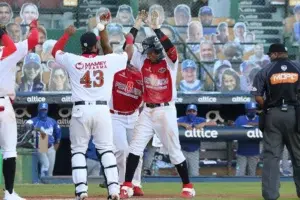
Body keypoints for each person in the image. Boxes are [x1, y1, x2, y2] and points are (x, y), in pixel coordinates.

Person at [51, 11, 131, 199]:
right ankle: (113, 189)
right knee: (106, 150)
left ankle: (81, 191)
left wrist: (66, 34)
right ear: (96, 46)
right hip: (102, 110)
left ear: (81, 46)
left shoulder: (73, 59)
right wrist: (112, 33)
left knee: (78, 150)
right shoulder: (108, 60)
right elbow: (126, 54)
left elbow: (54, 52)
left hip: (81, 109)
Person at [119, 10, 196, 199]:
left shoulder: (170, 63)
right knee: (134, 148)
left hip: (166, 109)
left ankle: (188, 185)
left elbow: (171, 49)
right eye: (150, 51)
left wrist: (156, 28)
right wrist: (136, 25)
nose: (152, 54)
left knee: (174, 150)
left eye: (154, 51)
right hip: (147, 110)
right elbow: (126, 50)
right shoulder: (142, 60)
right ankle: (128, 184)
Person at [251, 43, 300, 200]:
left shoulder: (266, 70)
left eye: (269, 55)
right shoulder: (298, 67)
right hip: (295, 113)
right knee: (298, 155)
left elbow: (257, 96)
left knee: (272, 157)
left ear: (274, 54)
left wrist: (267, 106)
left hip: (273, 114)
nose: (269, 57)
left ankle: (270, 195)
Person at [0, 19, 38, 200]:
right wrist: (33, 26)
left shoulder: (8, 51)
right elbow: (33, 40)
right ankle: (8, 193)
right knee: (9, 150)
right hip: (3, 105)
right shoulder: (8, 52)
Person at [110, 58, 144, 196]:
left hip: (133, 115)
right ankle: (121, 182)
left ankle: (135, 183)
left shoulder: (140, 75)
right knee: (122, 150)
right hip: (115, 115)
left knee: (137, 150)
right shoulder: (114, 70)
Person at [177, 104, 216, 176]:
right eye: (189, 111)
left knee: (194, 174)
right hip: (182, 151)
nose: (191, 113)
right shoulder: (182, 119)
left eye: (193, 111)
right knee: (181, 174)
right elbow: (173, 123)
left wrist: (203, 124)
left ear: (196, 112)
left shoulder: (199, 119)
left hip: (194, 150)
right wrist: (183, 124)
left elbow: (214, 123)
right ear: (186, 112)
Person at [25, 102, 61, 177]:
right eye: (41, 110)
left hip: (50, 146)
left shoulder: (52, 121)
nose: (43, 112)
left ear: (47, 110)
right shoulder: (34, 120)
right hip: (41, 144)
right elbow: (27, 125)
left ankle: (47, 186)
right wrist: (37, 129)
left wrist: (54, 149)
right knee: (46, 165)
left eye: (45, 110)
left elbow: (58, 136)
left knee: (50, 171)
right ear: (38, 110)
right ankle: (42, 181)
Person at [234, 102, 260, 176]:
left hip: (254, 152)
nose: (252, 111)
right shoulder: (240, 119)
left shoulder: (259, 118)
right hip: (241, 152)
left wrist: (254, 124)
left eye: (254, 109)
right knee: (239, 174)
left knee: (252, 174)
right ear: (246, 110)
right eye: (250, 110)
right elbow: (234, 131)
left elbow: (268, 125)